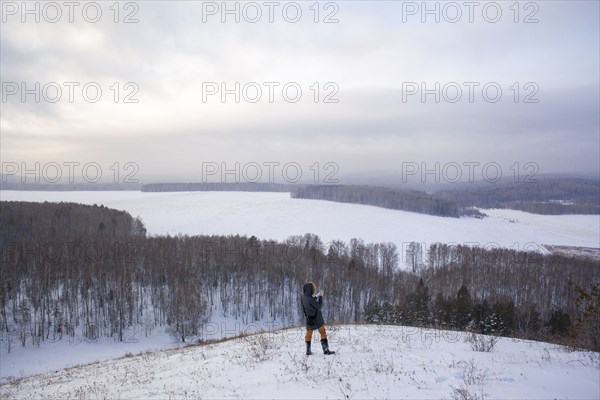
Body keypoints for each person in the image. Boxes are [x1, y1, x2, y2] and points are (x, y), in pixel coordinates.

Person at [301, 282, 335, 355]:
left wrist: (316, 296)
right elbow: (319, 306)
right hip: (317, 318)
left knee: (308, 334)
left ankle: (308, 351)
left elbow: (307, 306)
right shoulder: (311, 299)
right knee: (323, 332)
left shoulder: (303, 298)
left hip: (309, 319)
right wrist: (321, 297)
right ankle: (326, 350)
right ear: (310, 289)